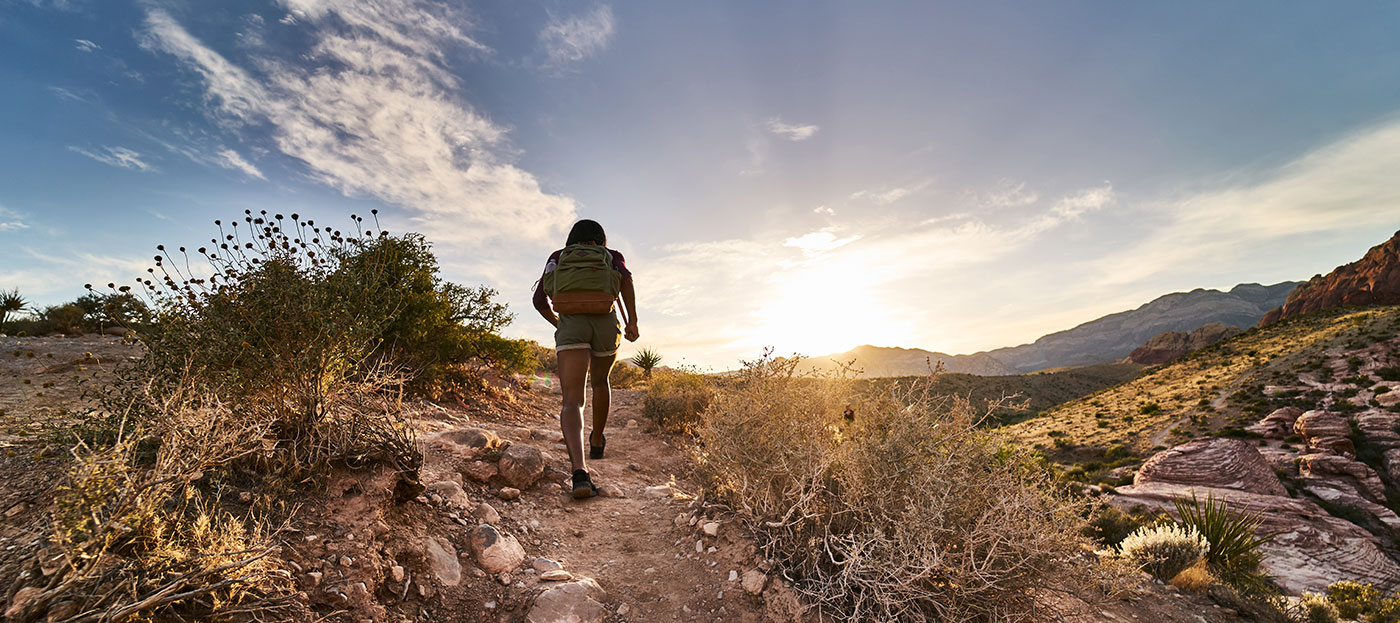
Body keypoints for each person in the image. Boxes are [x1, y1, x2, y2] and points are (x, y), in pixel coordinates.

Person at [533, 219, 639, 499]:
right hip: (605, 324)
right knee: (601, 382)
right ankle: (596, 440)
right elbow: (626, 281)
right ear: (601, 239)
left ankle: (580, 472)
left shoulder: (558, 257)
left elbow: (539, 300)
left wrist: (560, 324)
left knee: (572, 400)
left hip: (572, 326)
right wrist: (633, 322)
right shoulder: (612, 256)